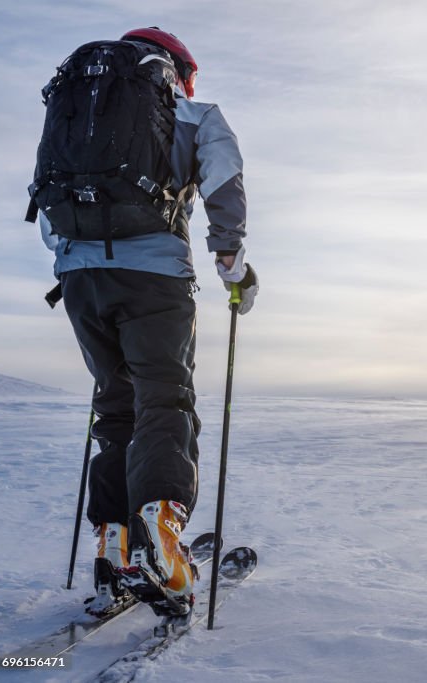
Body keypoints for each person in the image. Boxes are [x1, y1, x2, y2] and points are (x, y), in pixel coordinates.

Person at [34, 27, 258, 616]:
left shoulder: (77, 113)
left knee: (115, 406)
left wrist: (80, 264)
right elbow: (224, 179)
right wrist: (233, 264)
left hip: (80, 280)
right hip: (155, 277)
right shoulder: (193, 113)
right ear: (176, 70)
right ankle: (160, 526)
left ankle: (113, 550)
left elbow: (49, 209)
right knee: (164, 402)